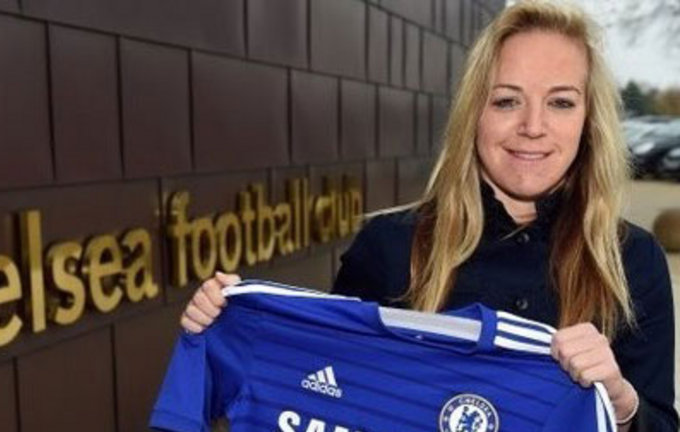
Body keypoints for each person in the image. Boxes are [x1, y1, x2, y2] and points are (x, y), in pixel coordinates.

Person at [178, 1, 678, 431]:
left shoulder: (632, 261)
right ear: (473, 114)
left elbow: (660, 421)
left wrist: (621, 402)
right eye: (507, 100)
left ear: (589, 122)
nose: (532, 126)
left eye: (561, 103)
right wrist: (232, 326)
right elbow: (321, 388)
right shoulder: (388, 246)